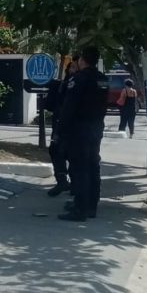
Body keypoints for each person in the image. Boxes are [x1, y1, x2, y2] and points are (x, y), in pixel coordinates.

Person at [57, 46, 109, 222]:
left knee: (79, 169)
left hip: (79, 128)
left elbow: (69, 107)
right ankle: (91, 206)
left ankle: (80, 208)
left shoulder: (78, 79)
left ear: (82, 60)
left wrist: (60, 130)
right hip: (96, 127)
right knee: (93, 165)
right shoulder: (103, 79)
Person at [45, 57, 79, 197]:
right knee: (55, 150)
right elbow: (51, 105)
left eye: (76, 68)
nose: (73, 70)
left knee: (74, 155)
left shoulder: (81, 84)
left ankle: (75, 185)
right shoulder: (62, 84)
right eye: (71, 68)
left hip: (76, 126)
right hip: (59, 124)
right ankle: (62, 181)